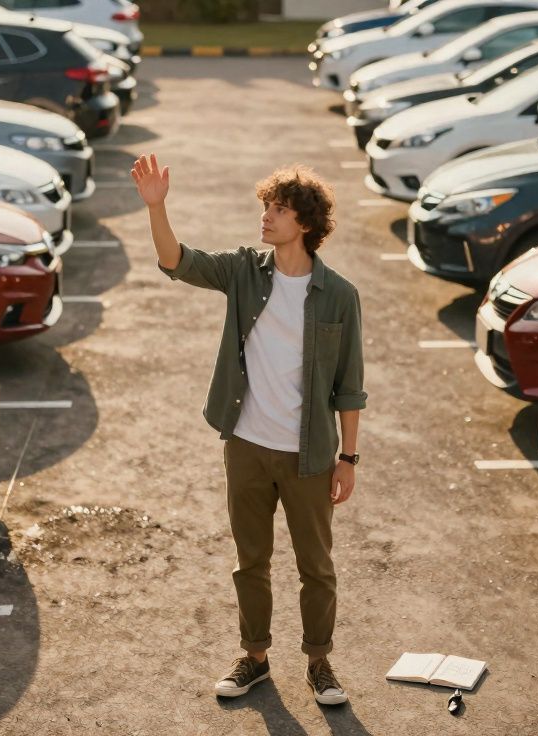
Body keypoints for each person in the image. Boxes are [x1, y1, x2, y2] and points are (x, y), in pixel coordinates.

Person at [131, 154, 366, 705]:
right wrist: (157, 206)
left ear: (304, 223)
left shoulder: (340, 295)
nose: (266, 217)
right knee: (251, 561)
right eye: (266, 207)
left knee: (317, 568)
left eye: (278, 210)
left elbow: (349, 387)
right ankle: (255, 657)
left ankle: (320, 663)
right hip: (248, 446)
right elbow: (176, 261)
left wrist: (348, 459)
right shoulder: (243, 271)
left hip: (309, 453)